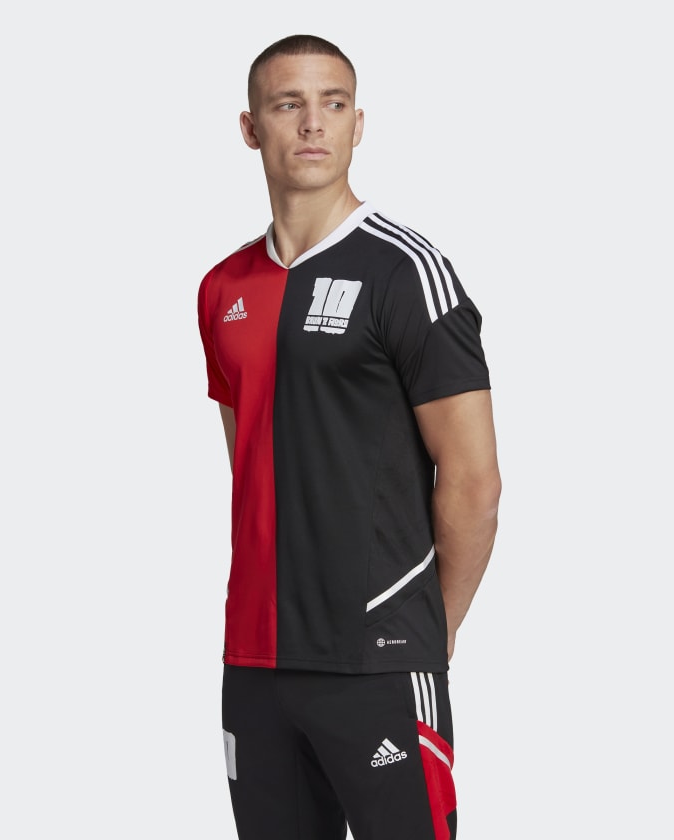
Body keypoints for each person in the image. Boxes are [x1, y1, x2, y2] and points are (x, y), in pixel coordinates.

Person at [196, 34, 501, 840]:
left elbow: (474, 481)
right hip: (254, 662)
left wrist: (425, 633)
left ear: (357, 124)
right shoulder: (222, 288)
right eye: (287, 104)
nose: (312, 123)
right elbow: (249, 461)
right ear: (250, 127)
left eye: (332, 104)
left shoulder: (406, 272)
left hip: (378, 658)